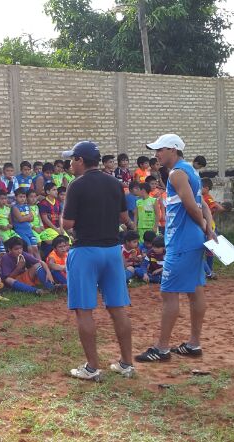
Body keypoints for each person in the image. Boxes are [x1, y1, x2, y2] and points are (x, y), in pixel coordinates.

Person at [136, 133, 216, 363]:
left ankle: (161, 348)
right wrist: (207, 228)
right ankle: (193, 343)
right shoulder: (190, 171)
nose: (157, 154)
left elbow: (192, 206)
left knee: (169, 293)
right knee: (195, 290)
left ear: (173, 149)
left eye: (160, 150)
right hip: (191, 239)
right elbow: (202, 204)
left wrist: (204, 226)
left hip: (182, 241)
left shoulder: (177, 173)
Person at [61, 140, 135, 381]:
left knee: (84, 311)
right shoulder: (115, 183)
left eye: (72, 159)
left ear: (81, 160)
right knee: (117, 308)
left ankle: (92, 368)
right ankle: (126, 363)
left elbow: (67, 224)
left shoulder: (76, 185)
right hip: (113, 251)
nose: (70, 164)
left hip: (86, 251)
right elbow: (125, 218)